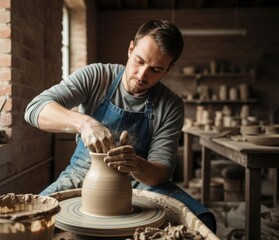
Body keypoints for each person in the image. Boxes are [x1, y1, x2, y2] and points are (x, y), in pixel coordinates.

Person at [25, 19, 216, 232]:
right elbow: (34, 109)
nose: (142, 75)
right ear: (130, 48)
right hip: (82, 175)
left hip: (139, 181)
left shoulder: (170, 104)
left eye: (155, 69)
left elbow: (160, 173)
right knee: (30, 221)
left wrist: (134, 163)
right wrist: (83, 123)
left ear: (168, 69)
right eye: (139, 61)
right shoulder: (97, 76)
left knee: (203, 222)